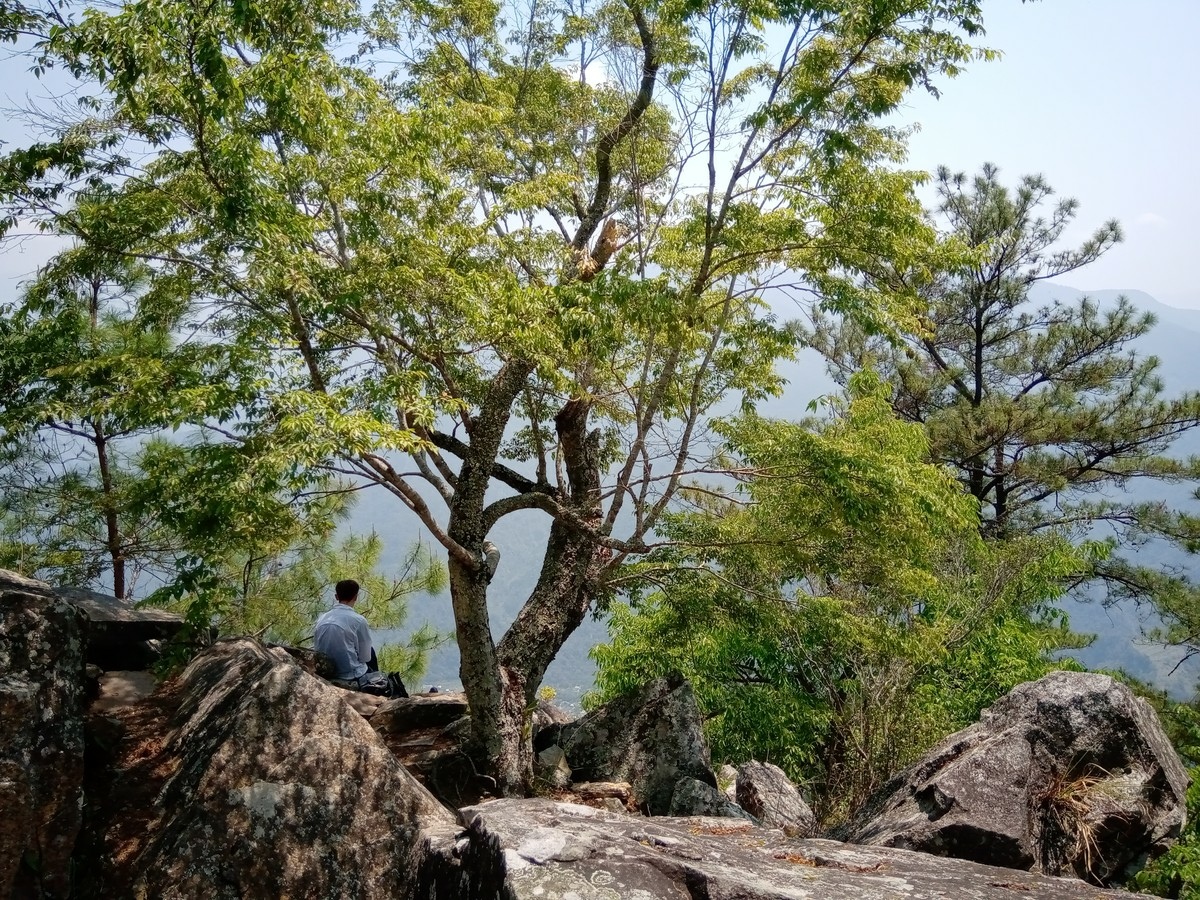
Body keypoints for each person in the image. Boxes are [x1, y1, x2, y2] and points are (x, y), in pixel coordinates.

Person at [313, 579, 407, 698]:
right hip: (349, 674)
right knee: (371, 652)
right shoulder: (358, 620)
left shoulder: (322, 618)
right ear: (356, 597)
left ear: (336, 596)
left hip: (326, 671)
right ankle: (376, 691)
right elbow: (365, 657)